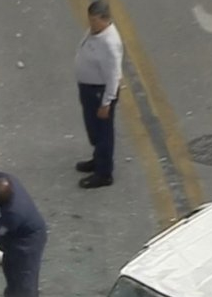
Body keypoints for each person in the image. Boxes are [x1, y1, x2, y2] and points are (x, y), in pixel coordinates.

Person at [74, 1, 124, 189]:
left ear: (105, 19)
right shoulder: (95, 32)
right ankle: (97, 159)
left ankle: (104, 173)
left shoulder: (110, 44)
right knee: (93, 129)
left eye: (94, 20)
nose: (91, 24)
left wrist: (106, 103)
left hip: (99, 92)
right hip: (89, 89)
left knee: (103, 132)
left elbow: (113, 77)